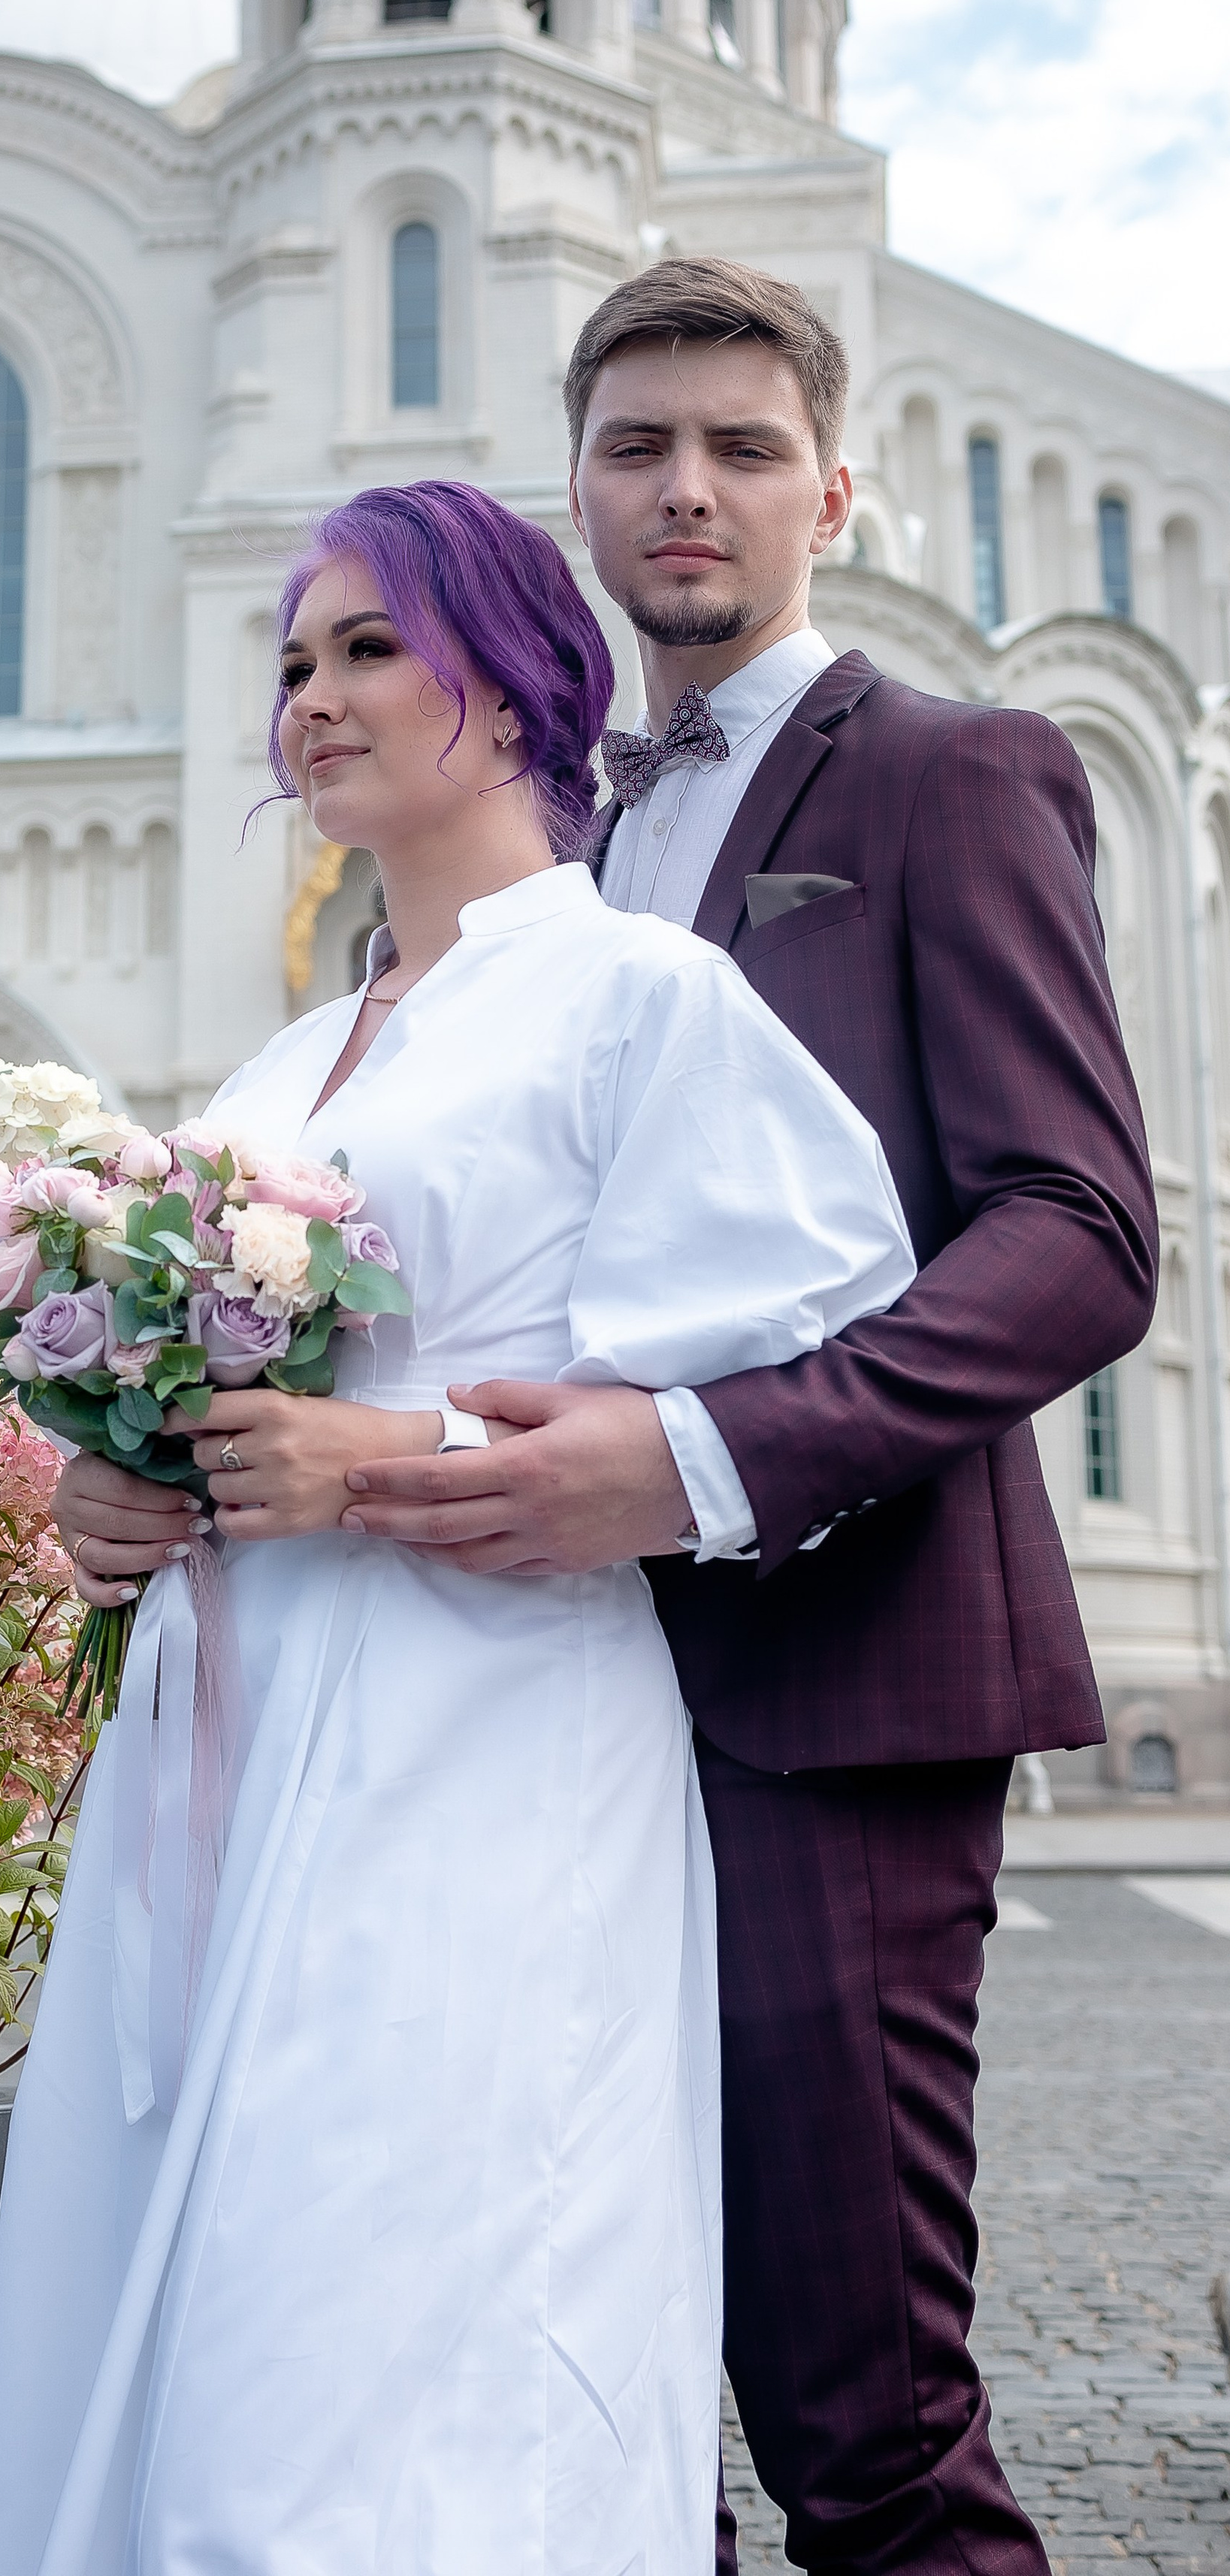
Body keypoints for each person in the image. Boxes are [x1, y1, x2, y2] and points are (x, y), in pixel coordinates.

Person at [0, 479, 917, 2575]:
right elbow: (198, 1401)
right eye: (294, 660)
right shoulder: (288, 1059)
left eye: (370, 646)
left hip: (477, 1729)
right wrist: (113, 1490)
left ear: (519, 678)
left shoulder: (639, 997)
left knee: (398, 2292)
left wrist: (376, 1462)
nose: (312, 696)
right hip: (222, 1735)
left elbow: (806, 1351)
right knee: (199, 2270)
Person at [310, 264, 1160, 2572]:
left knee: (861, 2415)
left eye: (744, 448)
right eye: (638, 447)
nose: (687, 488)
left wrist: (699, 1463)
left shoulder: (956, 774)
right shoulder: (526, 852)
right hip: (521, 1707)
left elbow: (1077, 1233)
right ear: (577, 496)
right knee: (579, 2396)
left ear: (831, 495)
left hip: (835, 1683)